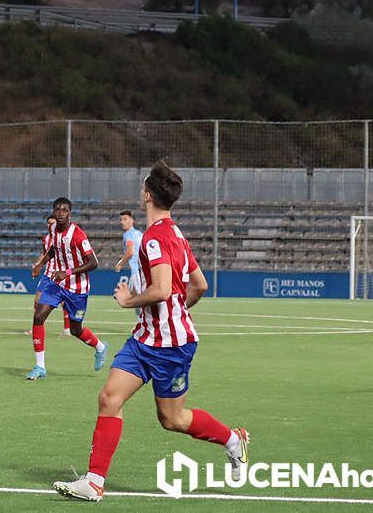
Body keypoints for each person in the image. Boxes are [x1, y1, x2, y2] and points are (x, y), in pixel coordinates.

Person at [53, 161, 249, 502]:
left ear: (146, 195)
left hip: (172, 348)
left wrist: (129, 301)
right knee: (109, 398)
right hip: (144, 340)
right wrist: (171, 313)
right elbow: (200, 285)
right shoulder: (176, 234)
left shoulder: (155, 239)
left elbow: (159, 290)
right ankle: (95, 482)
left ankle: (233, 440)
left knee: (173, 420)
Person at [25, 198, 109, 380]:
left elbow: (94, 263)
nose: (61, 213)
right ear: (54, 212)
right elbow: (54, 250)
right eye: (58, 210)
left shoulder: (78, 235)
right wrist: (41, 264)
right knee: (38, 316)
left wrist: (68, 272)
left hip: (77, 289)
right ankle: (40, 367)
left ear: (70, 213)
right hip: (57, 283)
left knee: (75, 330)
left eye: (64, 210)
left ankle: (100, 347)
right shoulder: (52, 229)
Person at [29, 215, 71, 338]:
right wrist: (38, 264)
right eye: (48, 223)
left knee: (64, 302)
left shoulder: (62, 237)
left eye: (52, 223)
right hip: (47, 273)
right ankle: (37, 327)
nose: (50, 225)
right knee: (37, 300)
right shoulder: (45, 239)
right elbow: (44, 253)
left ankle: (67, 329)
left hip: (59, 274)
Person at [114, 209, 144, 318]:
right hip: (142, 271)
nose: (122, 222)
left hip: (138, 272)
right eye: (121, 219)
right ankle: (140, 324)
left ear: (132, 221)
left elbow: (130, 251)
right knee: (136, 300)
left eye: (125, 219)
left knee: (139, 301)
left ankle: (145, 325)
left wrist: (120, 263)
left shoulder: (128, 234)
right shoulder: (140, 234)